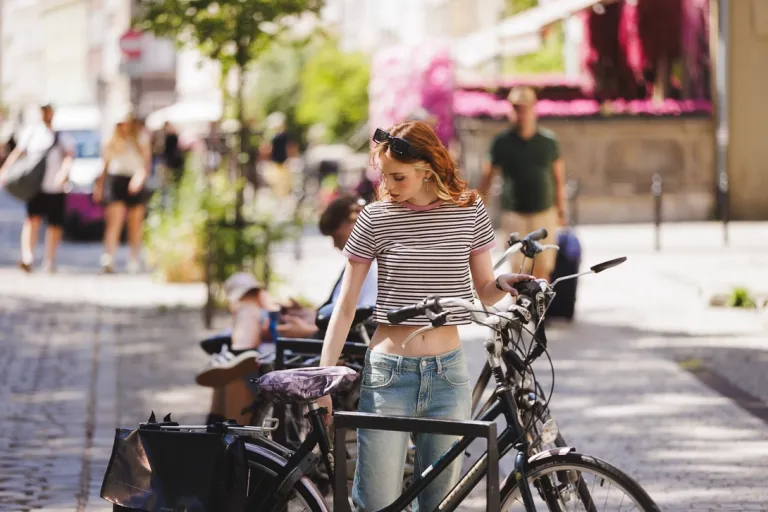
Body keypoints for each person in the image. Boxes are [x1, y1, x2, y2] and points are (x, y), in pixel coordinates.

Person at [318, 121, 533, 511]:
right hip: (389, 375)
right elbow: (346, 306)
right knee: (376, 502)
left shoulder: (469, 210)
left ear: (427, 169)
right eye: (383, 175)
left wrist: (503, 283)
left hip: (448, 375)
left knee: (438, 503)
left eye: (397, 176)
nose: (387, 184)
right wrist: (323, 378)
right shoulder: (375, 218)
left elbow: (483, 288)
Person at [197, 195, 378, 422]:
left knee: (241, 366)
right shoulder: (361, 264)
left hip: (320, 345)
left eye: (336, 236)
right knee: (246, 292)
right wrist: (307, 313)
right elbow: (339, 312)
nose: (334, 245)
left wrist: (307, 331)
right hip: (315, 338)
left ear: (356, 223)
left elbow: (359, 322)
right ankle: (236, 354)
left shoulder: (370, 267)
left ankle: (237, 355)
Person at [479, 86, 567, 280]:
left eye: (525, 108)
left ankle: (540, 310)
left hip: (544, 212)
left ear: (533, 109)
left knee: (543, 268)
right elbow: (487, 179)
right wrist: (477, 211)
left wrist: (561, 210)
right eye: (516, 109)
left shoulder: (548, 141)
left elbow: (558, 178)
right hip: (514, 214)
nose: (521, 114)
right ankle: (518, 309)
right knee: (518, 269)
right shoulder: (501, 143)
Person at [0, 103, 74, 273]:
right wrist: (5, 171)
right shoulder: (32, 133)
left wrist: (64, 173)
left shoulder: (62, 136)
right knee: (32, 220)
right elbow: (18, 153)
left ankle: (49, 260)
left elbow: (68, 157)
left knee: (54, 225)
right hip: (35, 186)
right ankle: (28, 256)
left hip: (56, 187)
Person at [93, 110, 150, 273]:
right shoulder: (111, 139)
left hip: (134, 179)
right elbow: (104, 164)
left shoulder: (140, 138)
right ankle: (109, 256)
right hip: (116, 178)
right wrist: (100, 186)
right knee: (114, 221)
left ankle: (134, 258)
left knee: (135, 223)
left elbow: (146, 163)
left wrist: (139, 178)